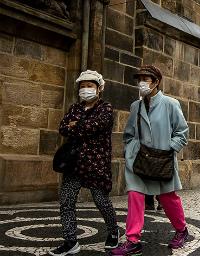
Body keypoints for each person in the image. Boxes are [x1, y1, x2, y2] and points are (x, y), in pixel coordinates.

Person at [111, 65, 189, 255]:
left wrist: (169, 148)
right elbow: (129, 133)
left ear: (156, 82)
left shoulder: (171, 104)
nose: (142, 83)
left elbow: (182, 132)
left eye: (146, 79)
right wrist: (131, 150)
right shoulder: (135, 106)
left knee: (167, 197)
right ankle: (133, 240)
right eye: (140, 79)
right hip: (140, 159)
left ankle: (182, 230)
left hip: (162, 159)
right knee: (135, 195)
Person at [49, 70, 119, 256]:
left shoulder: (106, 108)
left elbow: (94, 126)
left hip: (96, 163)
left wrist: (76, 125)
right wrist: (76, 126)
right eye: (82, 86)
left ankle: (113, 231)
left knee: (101, 200)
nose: (85, 89)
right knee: (66, 201)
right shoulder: (75, 108)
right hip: (74, 162)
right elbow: (63, 127)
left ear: (99, 88)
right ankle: (70, 241)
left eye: (89, 86)